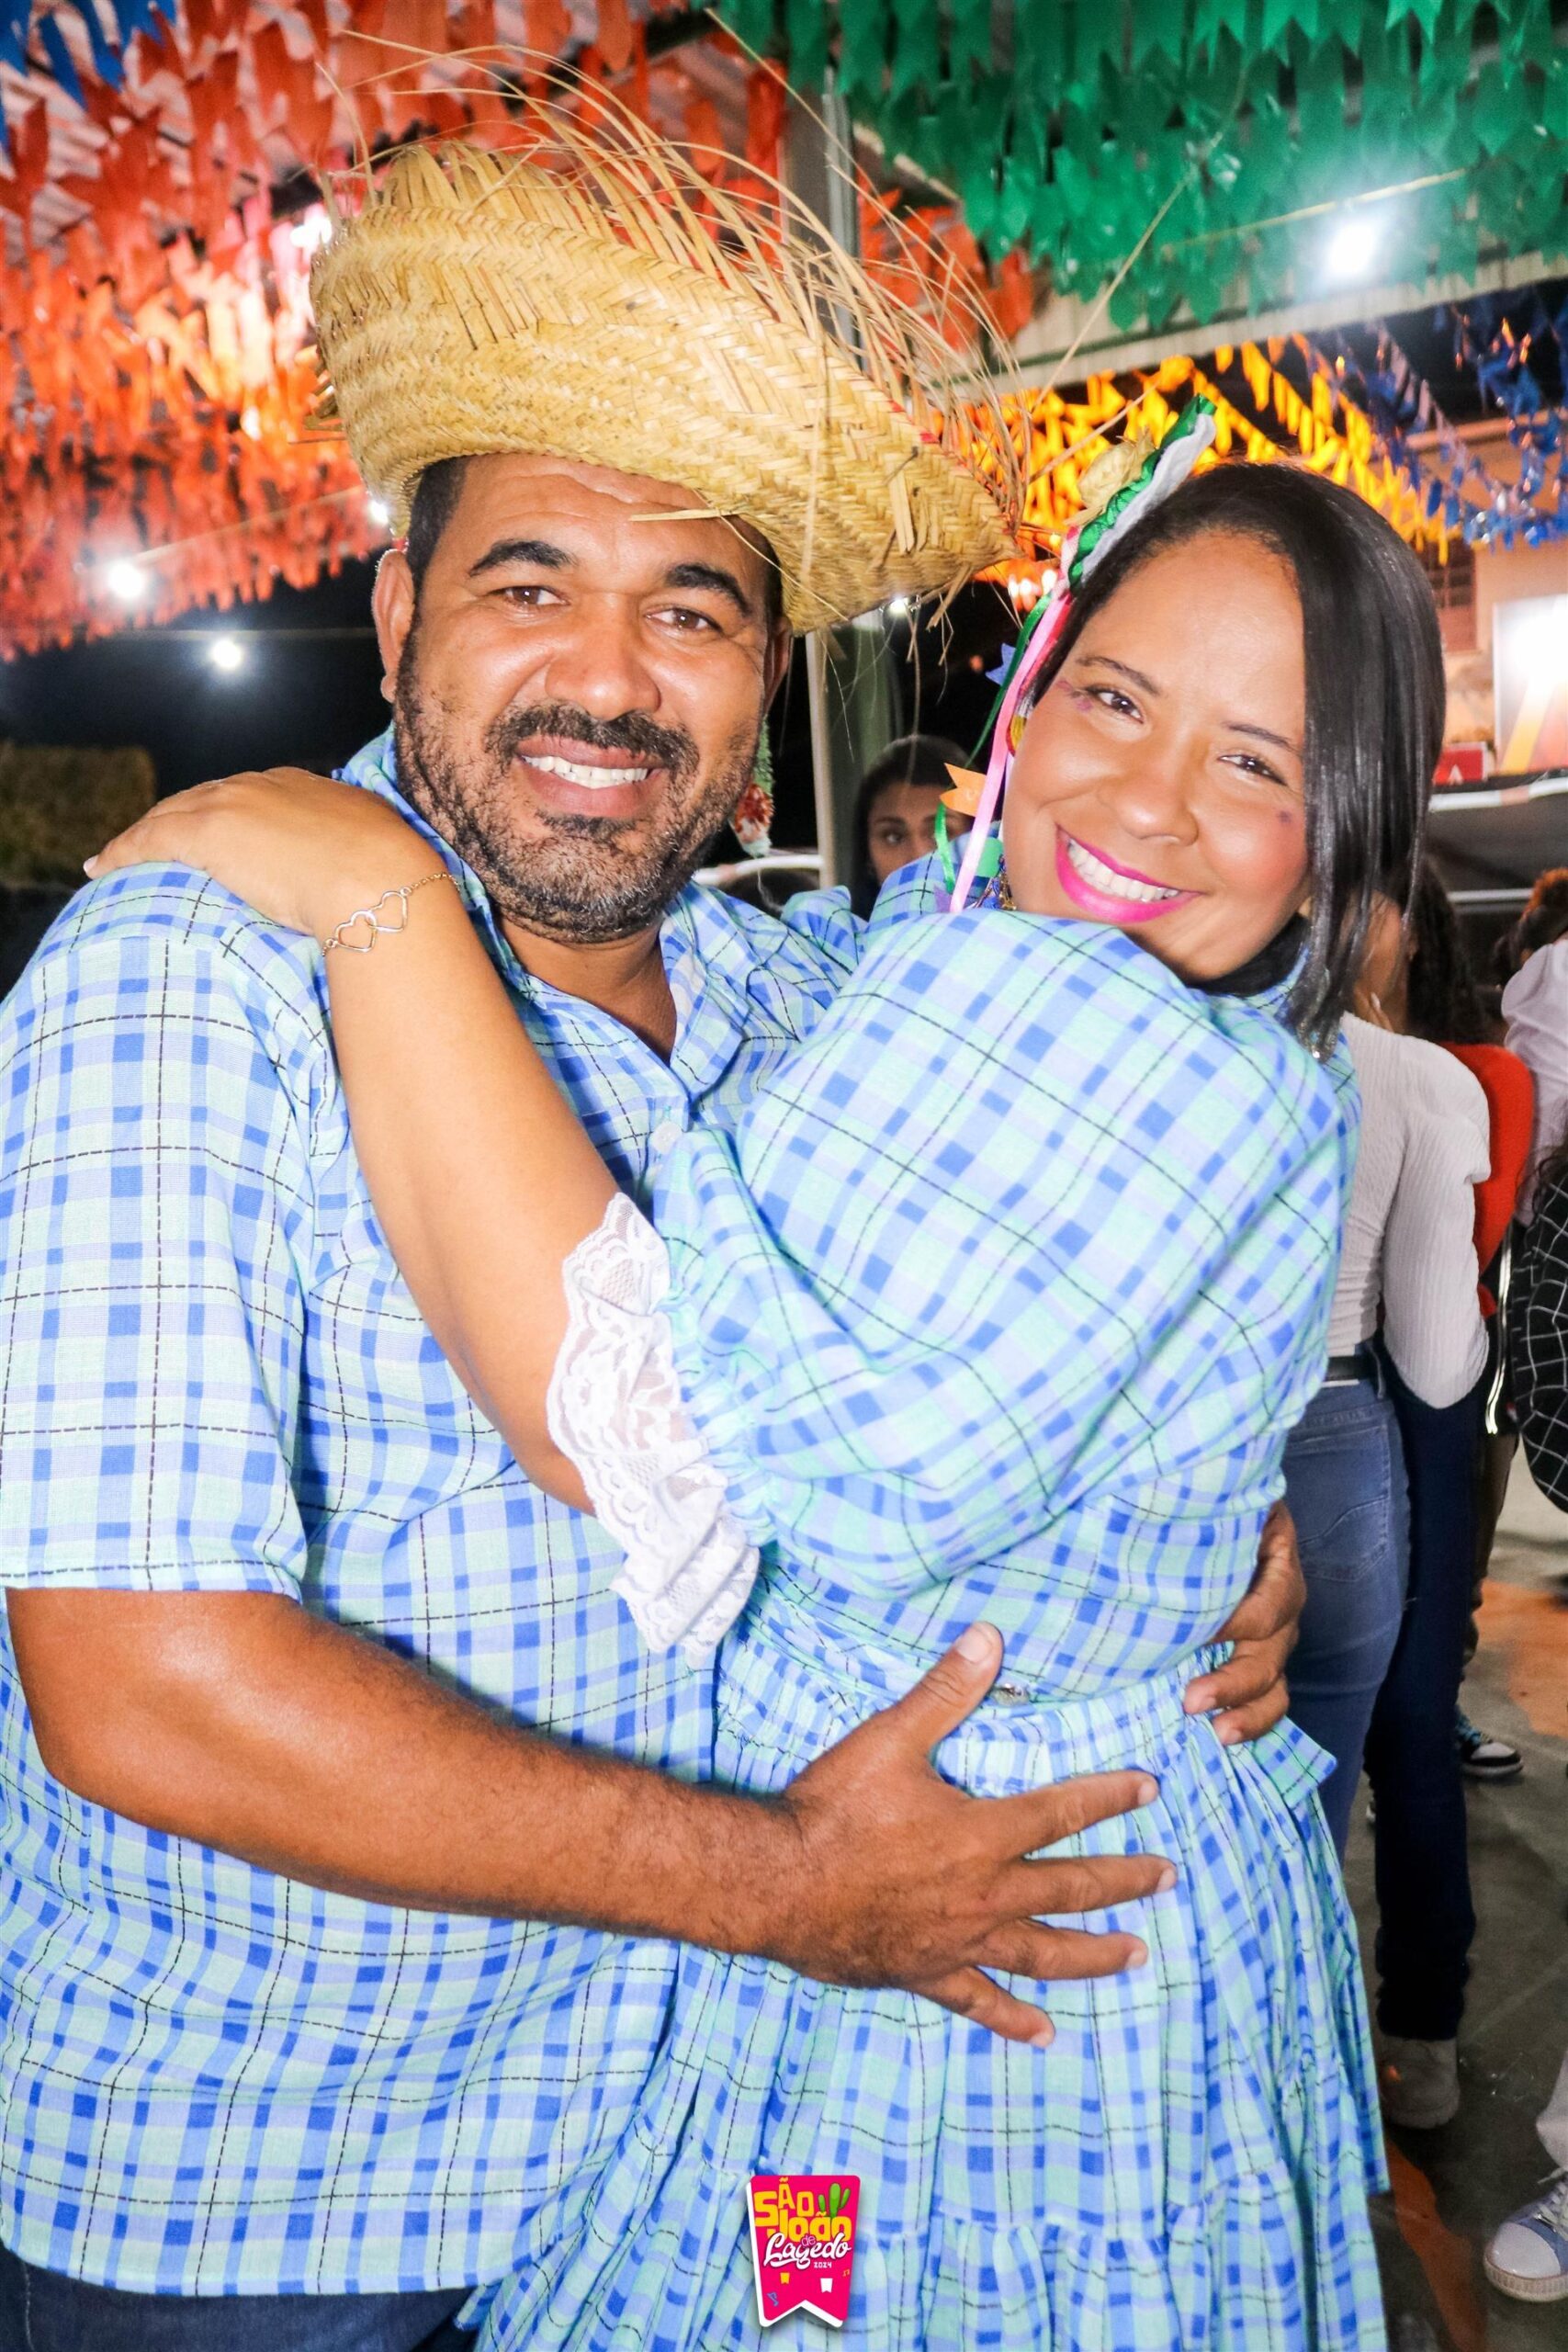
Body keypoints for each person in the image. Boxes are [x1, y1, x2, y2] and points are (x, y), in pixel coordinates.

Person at [0, 127, 1303, 2351]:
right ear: (397, 615)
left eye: (687, 611)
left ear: (762, 667)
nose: (607, 680)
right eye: (528, 586)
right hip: (275, 2209)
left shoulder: (814, 1006)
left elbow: (982, 1382)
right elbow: (146, 1683)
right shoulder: (192, 970)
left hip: (694, 2155)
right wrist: (779, 1882)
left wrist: (1208, 1550)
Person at [1281, 899, 1489, 1859]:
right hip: (1332, 1438)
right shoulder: (1411, 1074)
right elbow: (1437, 1361)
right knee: (1315, 1803)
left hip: (1153, 1441)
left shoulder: (1130, 1040)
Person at [849, 733, 971, 916]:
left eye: (941, 833)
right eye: (893, 837)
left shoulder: (1013, 929)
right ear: (867, 856)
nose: (917, 857)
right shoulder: (833, 932)